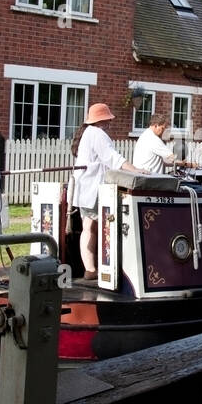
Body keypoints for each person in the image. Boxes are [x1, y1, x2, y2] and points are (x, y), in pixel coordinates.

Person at [73, 102, 141, 281]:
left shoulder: (89, 133)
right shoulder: (97, 134)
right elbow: (112, 158)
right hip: (93, 187)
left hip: (86, 186)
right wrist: (135, 170)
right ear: (101, 120)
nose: (110, 123)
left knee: (89, 227)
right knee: (95, 227)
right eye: (107, 120)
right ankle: (100, 268)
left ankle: (91, 268)